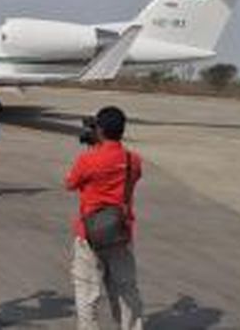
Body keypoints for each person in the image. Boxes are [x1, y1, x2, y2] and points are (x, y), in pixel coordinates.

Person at [65, 106, 144, 330]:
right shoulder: (133, 161)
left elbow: (70, 183)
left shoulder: (88, 160)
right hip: (120, 232)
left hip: (89, 232)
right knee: (126, 289)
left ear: (99, 130)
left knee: (87, 290)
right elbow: (131, 177)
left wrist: (94, 150)